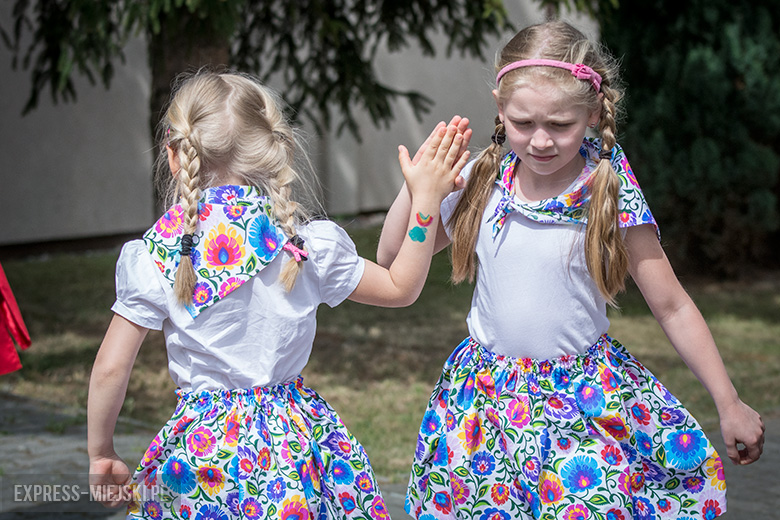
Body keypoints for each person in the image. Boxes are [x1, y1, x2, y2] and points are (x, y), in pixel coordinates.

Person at [377, 20, 765, 520]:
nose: (540, 141)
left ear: (593, 112)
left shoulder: (608, 189)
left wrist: (728, 402)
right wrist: (418, 189)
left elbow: (672, 306)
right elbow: (389, 259)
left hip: (580, 404)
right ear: (500, 108)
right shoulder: (481, 179)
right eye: (523, 123)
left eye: (559, 125)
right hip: (484, 406)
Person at [87, 70, 470, 519]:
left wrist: (101, 452)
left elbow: (112, 367)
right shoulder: (305, 247)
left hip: (198, 458)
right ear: (273, 150)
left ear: (175, 156)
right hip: (293, 451)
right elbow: (400, 287)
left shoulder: (155, 257)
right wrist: (424, 202)